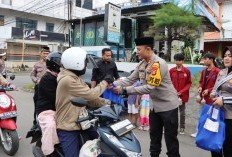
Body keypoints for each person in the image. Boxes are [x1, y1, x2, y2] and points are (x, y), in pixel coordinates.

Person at [113, 37, 181, 157]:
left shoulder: (158, 64)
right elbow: (129, 80)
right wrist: (112, 84)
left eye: (139, 49)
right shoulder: (142, 63)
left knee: (171, 140)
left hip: (168, 106)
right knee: (154, 137)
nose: (137, 52)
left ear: (148, 49)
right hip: (154, 107)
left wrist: (125, 90)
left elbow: (150, 87)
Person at [55, 47, 113, 157]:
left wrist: (107, 102)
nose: (86, 66)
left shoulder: (76, 78)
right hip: (68, 125)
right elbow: (92, 94)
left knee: (102, 144)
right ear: (76, 63)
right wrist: (105, 81)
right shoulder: (68, 80)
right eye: (85, 63)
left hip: (82, 121)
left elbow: (89, 98)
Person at [35, 52, 62, 156]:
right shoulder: (47, 78)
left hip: (57, 109)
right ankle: (49, 152)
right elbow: (56, 98)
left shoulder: (60, 76)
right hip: (46, 110)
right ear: (53, 63)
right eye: (59, 62)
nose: (61, 64)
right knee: (51, 126)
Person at [191, 52, 220, 137]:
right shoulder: (204, 71)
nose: (203, 61)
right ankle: (198, 131)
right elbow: (200, 82)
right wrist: (200, 87)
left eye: (205, 59)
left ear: (211, 60)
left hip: (212, 98)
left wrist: (209, 90)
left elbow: (218, 85)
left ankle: (208, 134)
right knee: (201, 114)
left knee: (211, 116)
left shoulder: (217, 71)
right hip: (203, 98)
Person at [210, 46, 232, 157]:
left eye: (230, 56)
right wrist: (213, 93)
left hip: (230, 118)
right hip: (218, 115)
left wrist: (223, 99)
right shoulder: (222, 72)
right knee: (215, 147)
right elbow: (215, 88)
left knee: (228, 148)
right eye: (225, 56)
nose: (226, 58)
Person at [169, 53, 192, 135]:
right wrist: (173, 91)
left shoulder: (186, 71)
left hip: (183, 96)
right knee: (172, 112)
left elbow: (189, 83)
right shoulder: (171, 71)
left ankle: (182, 127)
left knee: (182, 112)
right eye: (176, 60)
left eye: (179, 60)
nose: (177, 62)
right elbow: (168, 82)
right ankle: (172, 127)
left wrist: (181, 91)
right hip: (172, 95)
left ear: (182, 61)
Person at [30, 46, 50, 129]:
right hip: (39, 88)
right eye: (44, 53)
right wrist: (37, 80)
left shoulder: (51, 63)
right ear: (40, 54)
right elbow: (32, 75)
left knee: (49, 105)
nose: (46, 55)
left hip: (49, 88)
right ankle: (35, 123)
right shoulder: (37, 64)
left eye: (47, 53)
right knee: (37, 104)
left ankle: (47, 122)